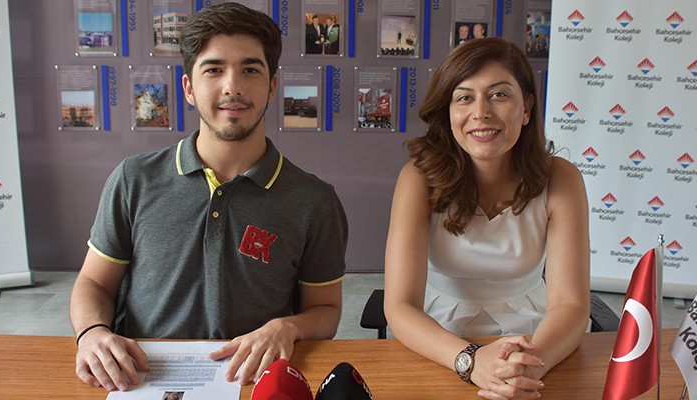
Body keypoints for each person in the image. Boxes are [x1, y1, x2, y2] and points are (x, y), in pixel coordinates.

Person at [70, 2, 348, 393]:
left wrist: (287, 327)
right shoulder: (134, 179)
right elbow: (94, 283)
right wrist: (92, 333)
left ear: (271, 87)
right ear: (189, 88)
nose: (232, 86)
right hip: (139, 378)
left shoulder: (313, 201)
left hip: (251, 379)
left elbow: (325, 309)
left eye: (250, 70)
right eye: (214, 69)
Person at [384, 37, 590, 400]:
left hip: (538, 338)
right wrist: (472, 360)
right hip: (438, 340)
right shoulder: (417, 178)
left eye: (499, 95)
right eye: (464, 98)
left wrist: (526, 368)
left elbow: (570, 304)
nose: (481, 112)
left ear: (526, 108)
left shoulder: (562, 178)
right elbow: (400, 306)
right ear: (448, 113)